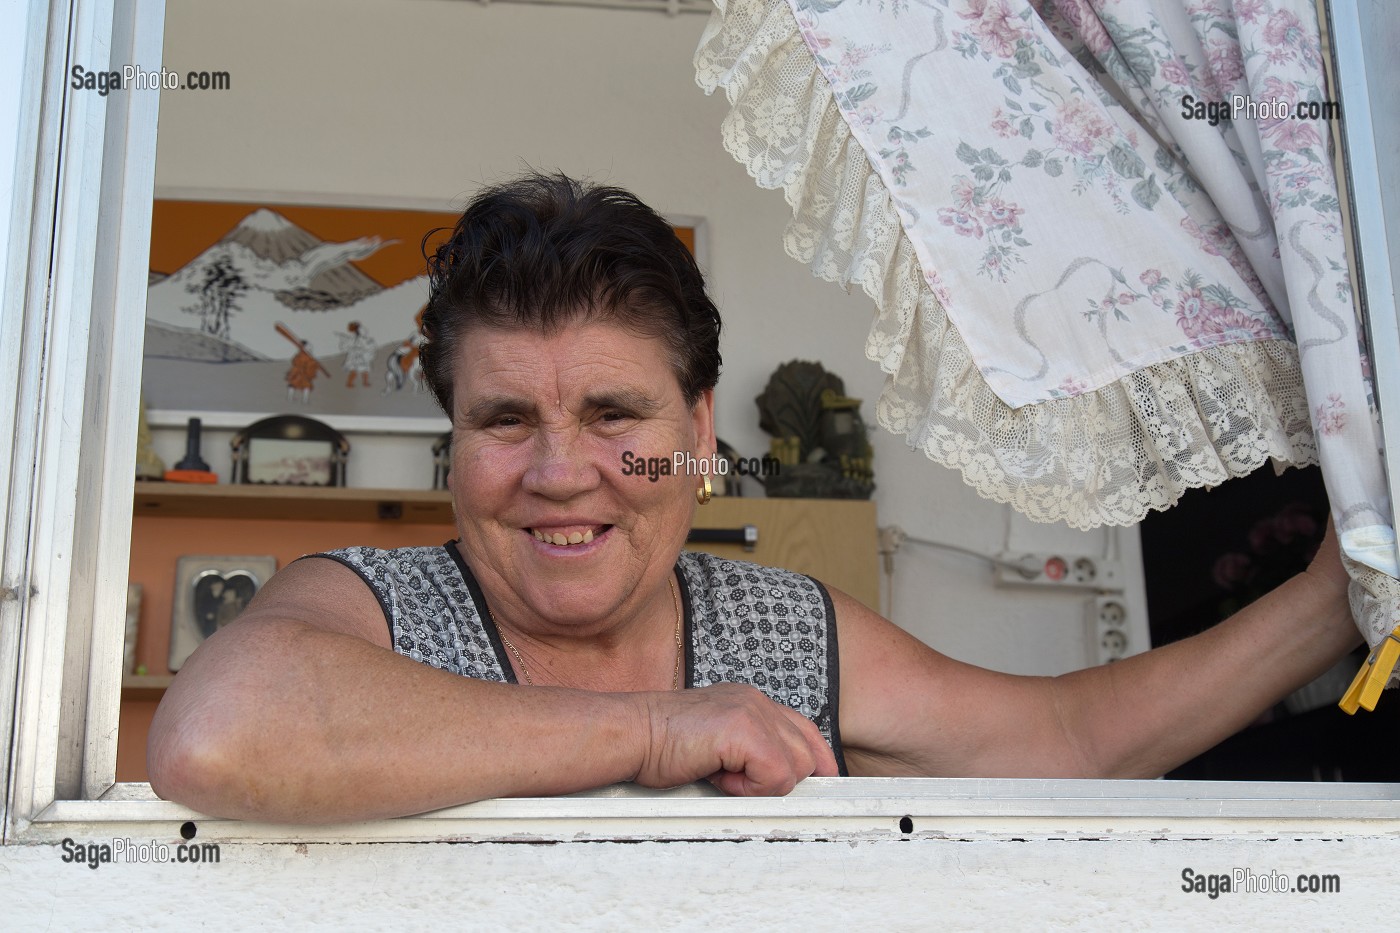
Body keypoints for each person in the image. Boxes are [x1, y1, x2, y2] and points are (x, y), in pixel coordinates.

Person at [148, 173, 1360, 824]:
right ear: (454, 444)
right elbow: (217, 735)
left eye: (615, 415)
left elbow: (1074, 740)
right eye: (505, 419)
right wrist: (658, 728)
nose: (560, 471)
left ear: (696, 431)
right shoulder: (368, 604)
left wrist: (1332, 598)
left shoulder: (785, 631)